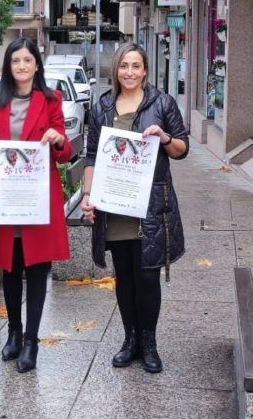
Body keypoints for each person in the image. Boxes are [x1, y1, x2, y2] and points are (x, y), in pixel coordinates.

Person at [80, 42, 189, 373]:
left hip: (150, 207)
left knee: (147, 277)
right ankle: (130, 340)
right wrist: (87, 194)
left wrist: (165, 138)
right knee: (124, 277)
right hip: (115, 206)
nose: (129, 72)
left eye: (136, 66)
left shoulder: (162, 104)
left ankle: (149, 342)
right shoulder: (102, 107)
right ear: (116, 70)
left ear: (145, 70)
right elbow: (93, 156)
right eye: (124, 66)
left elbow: (183, 149)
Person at [0, 37, 73, 373]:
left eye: (27, 60)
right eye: (15, 61)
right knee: (10, 268)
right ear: (8, 65)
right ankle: (13, 332)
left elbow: (65, 151)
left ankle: (31, 340)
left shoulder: (51, 99)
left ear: (36, 65)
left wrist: (58, 139)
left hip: (37, 199)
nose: (21, 66)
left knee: (37, 268)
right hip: (4, 198)